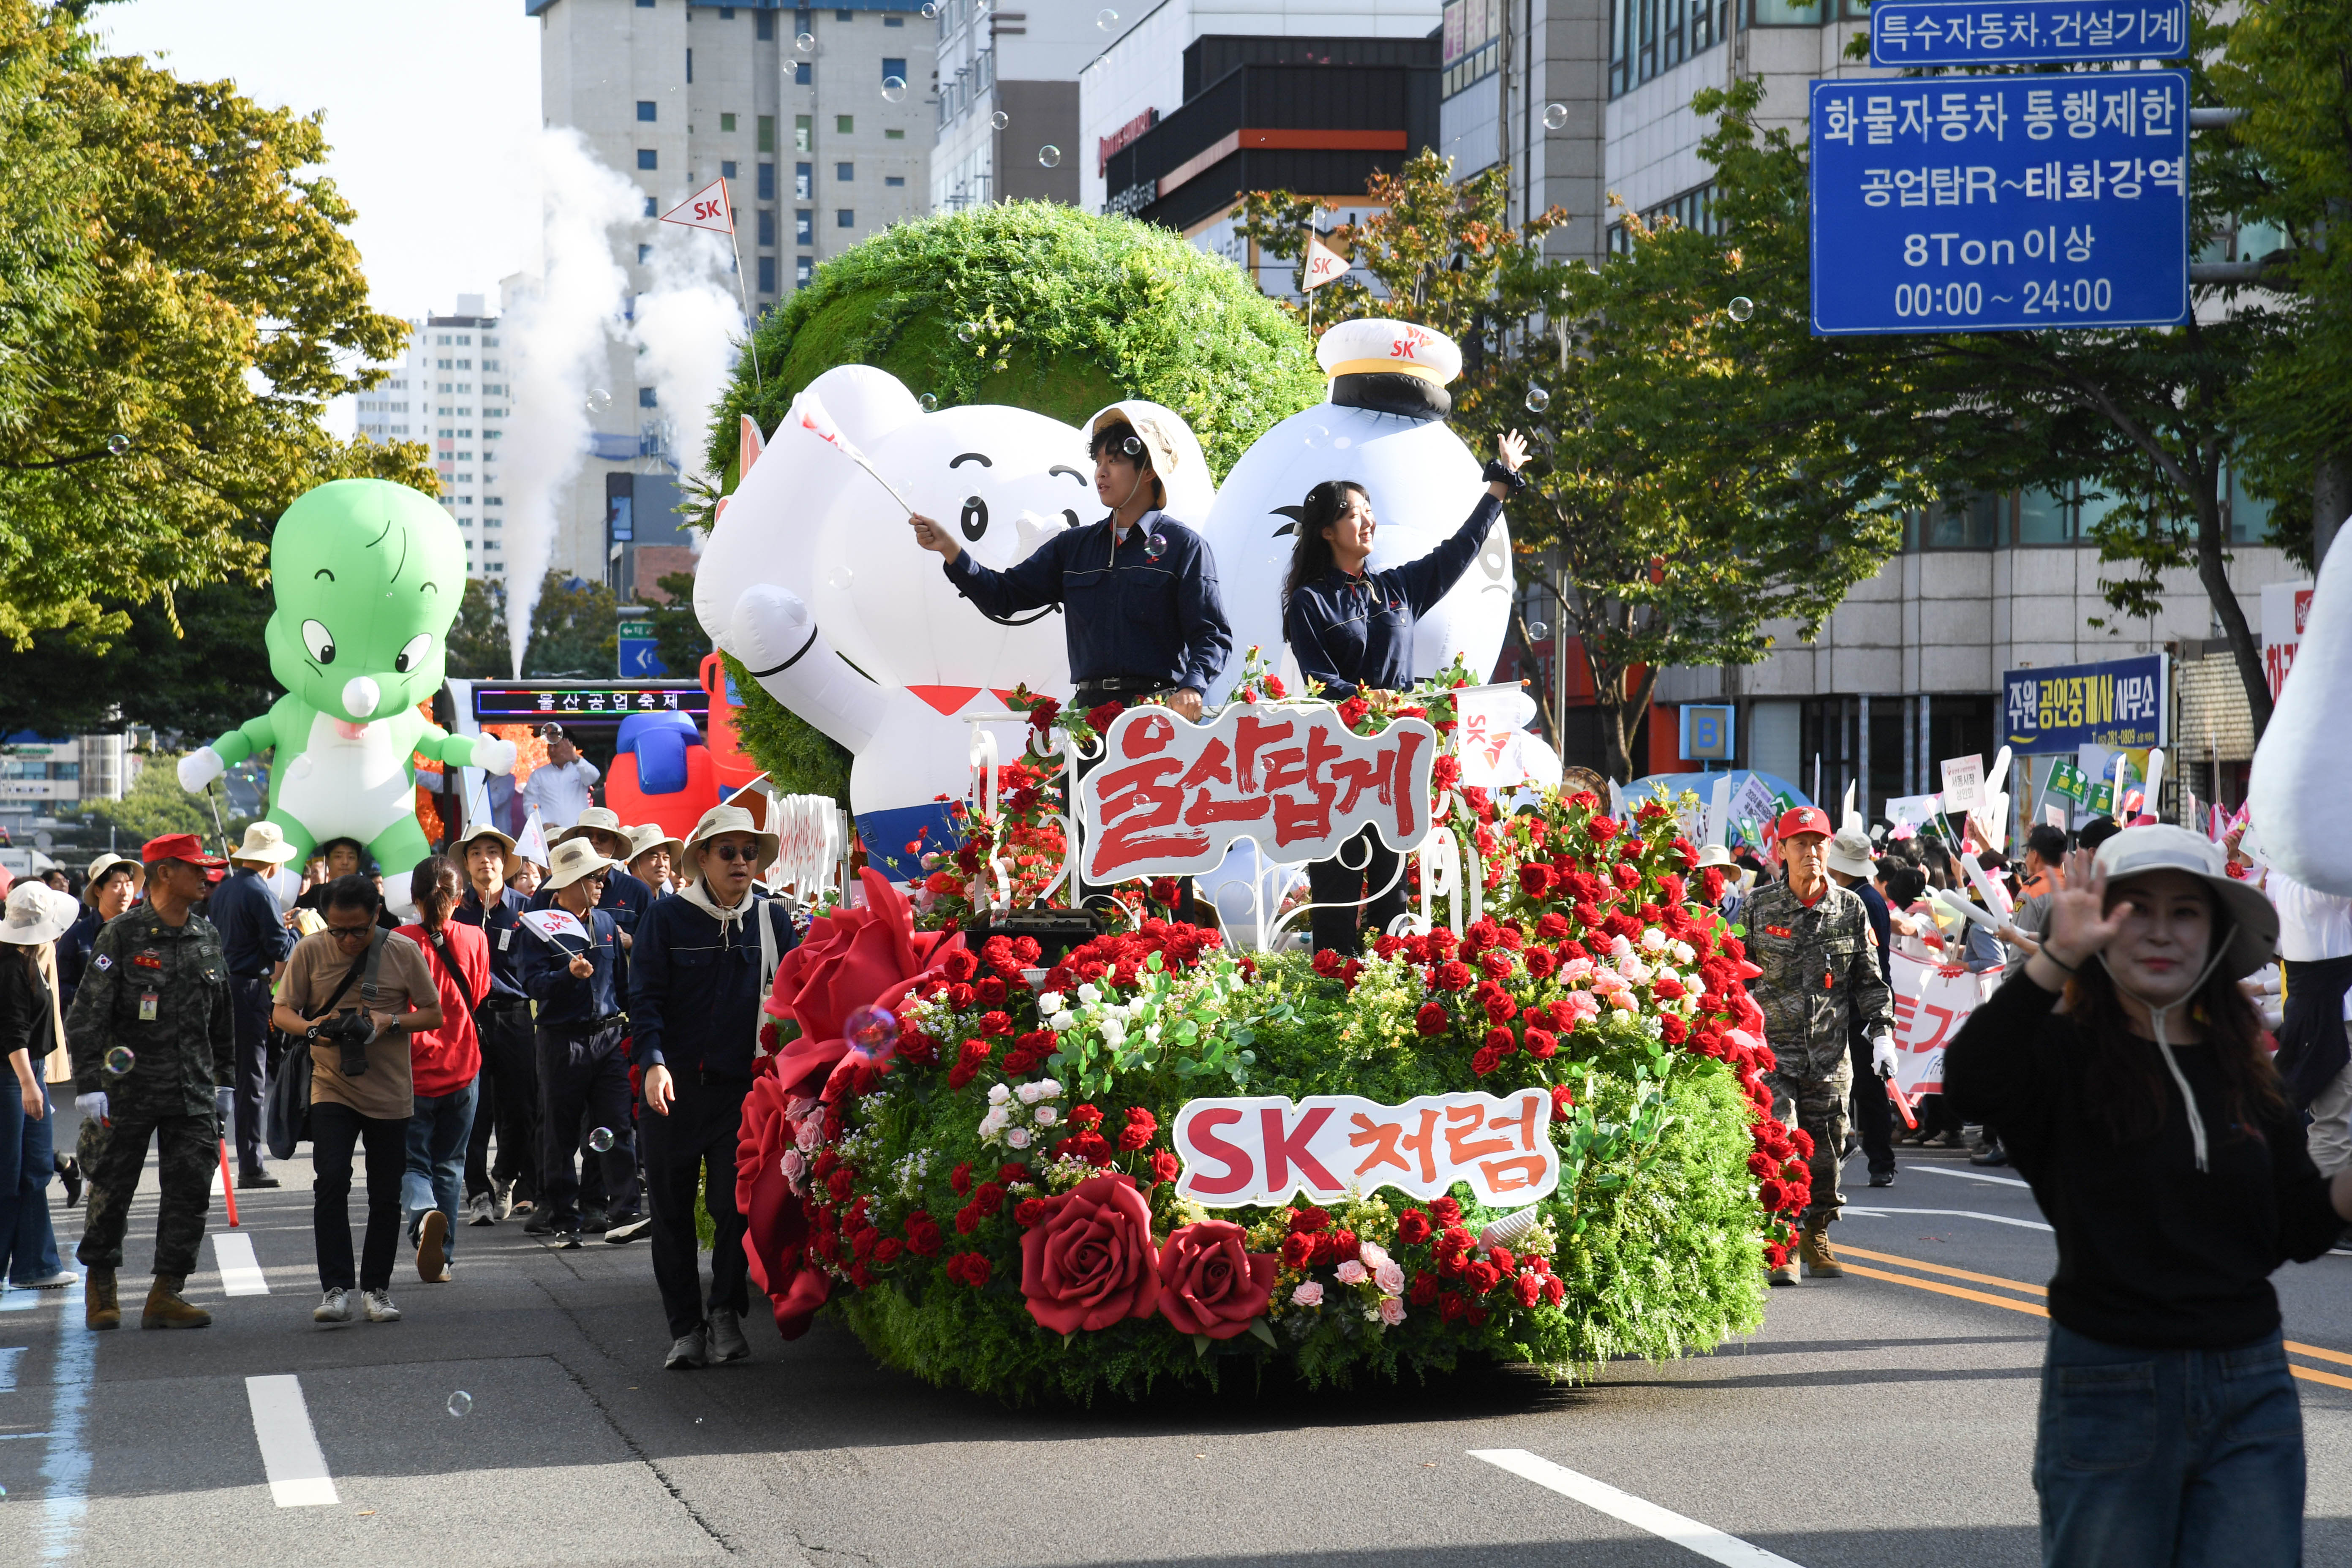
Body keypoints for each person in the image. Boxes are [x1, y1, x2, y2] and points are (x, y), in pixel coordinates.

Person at [1943, 828, 2352, 1566]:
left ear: (2216, 934)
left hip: (2251, 1386)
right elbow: (1971, 1076)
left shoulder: (2247, 1072)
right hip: (2106, 1384)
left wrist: (2344, 1191)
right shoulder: (2062, 1057)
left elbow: (2293, 1227)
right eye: (2135, 908)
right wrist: (2053, 956)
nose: (2161, 931)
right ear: (2100, 925)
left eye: (2186, 912)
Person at [1279, 430, 1530, 953]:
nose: (1368, 520)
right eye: (1355, 513)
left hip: (1395, 767)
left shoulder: (1396, 589)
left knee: (1394, 898)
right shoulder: (1309, 603)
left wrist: (1499, 488)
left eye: (1370, 510)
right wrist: (1385, 703)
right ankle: (1331, 1001)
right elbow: (1322, 684)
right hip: (1336, 769)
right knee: (1336, 893)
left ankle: (1384, 997)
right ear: (1327, 530)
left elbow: (1458, 552)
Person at [908, 407, 1232, 724]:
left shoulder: (1185, 547)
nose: (1100, 472)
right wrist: (950, 549)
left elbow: (1212, 635)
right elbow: (1002, 596)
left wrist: (1193, 686)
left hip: (1157, 717)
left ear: (1148, 471)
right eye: (1099, 462)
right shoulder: (1073, 547)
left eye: (1114, 461)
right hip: (1086, 720)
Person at [631, 804, 798, 1369]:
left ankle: (725, 1309)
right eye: (727, 851)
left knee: (736, 1207)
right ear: (701, 858)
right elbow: (646, 999)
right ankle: (685, 1329)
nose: (740, 862)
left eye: (749, 852)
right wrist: (653, 1062)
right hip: (672, 1090)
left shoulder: (773, 920)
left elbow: (794, 1002)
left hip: (742, 1093)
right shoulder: (666, 918)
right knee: (672, 1211)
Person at [66, 834, 237, 1331]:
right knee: (111, 1189)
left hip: (193, 1090)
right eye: (194, 868)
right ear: (164, 873)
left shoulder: (207, 935)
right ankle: (101, 1286)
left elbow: (222, 1018)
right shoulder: (121, 935)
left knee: (189, 1192)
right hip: (127, 1089)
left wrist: (225, 1082)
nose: (205, 876)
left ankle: (167, 1292)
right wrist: (89, 1083)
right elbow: (87, 1016)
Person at [271, 874, 442, 1326]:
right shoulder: (308, 949)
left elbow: (433, 1011)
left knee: (385, 1193)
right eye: (337, 930)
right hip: (331, 1084)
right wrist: (315, 1027)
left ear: (376, 919)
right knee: (331, 1180)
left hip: (390, 1090)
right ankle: (337, 1288)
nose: (347, 939)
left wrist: (390, 1021)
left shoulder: (402, 950)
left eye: (358, 930)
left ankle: (376, 1289)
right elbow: (281, 1010)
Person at [1742, 806, 1896, 1285]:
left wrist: (1883, 1032)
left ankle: (1817, 1232)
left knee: (1827, 1156)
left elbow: (1870, 980)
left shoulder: (1851, 909)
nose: (1811, 853)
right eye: (1801, 844)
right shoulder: (1757, 907)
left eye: (1819, 843)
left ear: (1830, 848)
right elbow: (1733, 972)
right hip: (1773, 1056)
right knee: (1782, 1146)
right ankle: (1782, 1243)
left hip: (1830, 1057)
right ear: (1781, 851)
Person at [516, 837, 640, 1248]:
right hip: (560, 1040)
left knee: (617, 1125)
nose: (602, 882)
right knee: (560, 1132)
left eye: (601, 875)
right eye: (591, 876)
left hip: (607, 1038)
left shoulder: (606, 923)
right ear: (566, 884)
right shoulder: (537, 925)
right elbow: (531, 984)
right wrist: (567, 976)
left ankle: (624, 1212)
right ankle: (563, 1217)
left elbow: (621, 984)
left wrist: (634, 1028)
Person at [394, 855, 485, 1283]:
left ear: (414, 898)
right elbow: (479, 993)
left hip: (411, 1070)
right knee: (451, 1163)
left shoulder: (397, 939)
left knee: (413, 1163)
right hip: (464, 1065)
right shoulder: (474, 937)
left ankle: (421, 1214)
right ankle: (443, 1257)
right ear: (460, 896)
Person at [452, 821, 539, 1224]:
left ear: (505, 861)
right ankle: (478, 1194)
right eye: (476, 853)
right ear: (466, 864)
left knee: (520, 1107)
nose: (485, 860)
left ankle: (505, 1177)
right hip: (468, 1018)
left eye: (493, 852)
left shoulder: (527, 909)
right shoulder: (455, 909)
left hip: (516, 1016)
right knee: (473, 1108)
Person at [210, 822, 299, 1189]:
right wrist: (294, 931)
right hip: (248, 988)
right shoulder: (262, 893)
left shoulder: (224, 889)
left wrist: (279, 926)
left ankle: (211, 1154)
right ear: (273, 863)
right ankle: (250, 1163)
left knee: (218, 1074)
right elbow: (280, 949)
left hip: (218, 986)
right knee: (251, 1079)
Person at [0, 882, 79, 1291]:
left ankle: (37, 1264)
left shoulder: (26, 958)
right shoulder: (11, 965)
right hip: (15, 1075)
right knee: (9, 1173)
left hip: (26, 1074)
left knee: (32, 1170)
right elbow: (13, 1032)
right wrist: (30, 1084)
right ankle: (32, 1264)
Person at [1826, 828, 1898, 1189]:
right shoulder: (1864, 895)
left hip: (1864, 1003)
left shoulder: (1860, 901)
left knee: (1868, 1086)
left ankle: (1881, 1160)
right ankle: (1857, 1148)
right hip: (1857, 1002)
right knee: (1855, 1083)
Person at [57, 853, 140, 1008]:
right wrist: (96, 998)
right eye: (116, 886)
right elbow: (61, 986)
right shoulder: (77, 937)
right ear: (98, 891)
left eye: (129, 884)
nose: (125, 892)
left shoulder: (143, 932)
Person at [523, 723, 600, 833]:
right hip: (551, 834)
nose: (552, 751)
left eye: (556, 746)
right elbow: (530, 804)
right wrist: (543, 823)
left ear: (569, 746)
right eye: (550, 746)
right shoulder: (538, 775)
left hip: (579, 832)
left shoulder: (579, 769)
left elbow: (594, 777)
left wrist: (575, 759)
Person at [628, 824, 683, 898]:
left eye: (666, 858)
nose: (662, 864)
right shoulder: (615, 899)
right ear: (633, 863)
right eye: (654, 857)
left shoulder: (675, 906)